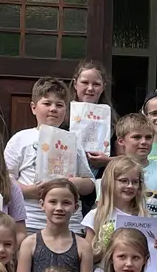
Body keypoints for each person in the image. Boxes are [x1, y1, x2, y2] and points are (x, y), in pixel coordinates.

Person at [6, 78, 96, 236]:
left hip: (69, 225)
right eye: (47, 104)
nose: (53, 109)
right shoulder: (21, 139)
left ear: (66, 111)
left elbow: (89, 183)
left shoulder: (73, 141)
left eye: (59, 105)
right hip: (30, 222)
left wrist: (73, 183)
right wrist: (28, 190)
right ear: (33, 108)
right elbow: (5, 178)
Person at [18, 181, 94, 272]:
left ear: (76, 207)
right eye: (53, 202)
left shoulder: (83, 246)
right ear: (42, 204)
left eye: (66, 203)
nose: (59, 208)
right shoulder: (29, 244)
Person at [115, 111, 157, 226]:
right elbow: (103, 205)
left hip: (155, 238)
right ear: (121, 141)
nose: (144, 142)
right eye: (137, 137)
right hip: (120, 236)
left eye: (149, 137)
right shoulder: (113, 170)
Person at [83, 157, 148, 266]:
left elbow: (148, 254)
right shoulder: (97, 216)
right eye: (123, 181)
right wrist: (104, 246)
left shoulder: (143, 216)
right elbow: (87, 258)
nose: (130, 186)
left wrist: (155, 245)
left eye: (135, 182)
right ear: (110, 182)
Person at [73, 61, 114, 175]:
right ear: (75, 84)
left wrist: (107, 161)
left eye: (96, 84)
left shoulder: (112, 122)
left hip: (103, 181)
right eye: (85, 82)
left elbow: (125, 159)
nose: (90, 88)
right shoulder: (63, 115)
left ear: (103, 87)